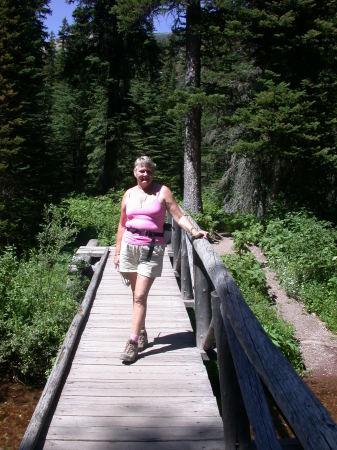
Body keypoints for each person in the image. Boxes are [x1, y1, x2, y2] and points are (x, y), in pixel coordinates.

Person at [114, 155, 209, 363]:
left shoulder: (162, 191)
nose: (145, 174)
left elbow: (178, 215)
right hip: (129, 247)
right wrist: (117, 250)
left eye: (148, 170)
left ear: (153, 173)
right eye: (141, 170)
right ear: (135, 172)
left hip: (152, 249)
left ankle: (132, 343)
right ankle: (142, 332)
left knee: (139, 296)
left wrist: (194, 231)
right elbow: (122, 224)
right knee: (136, 294)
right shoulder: (128, 194)